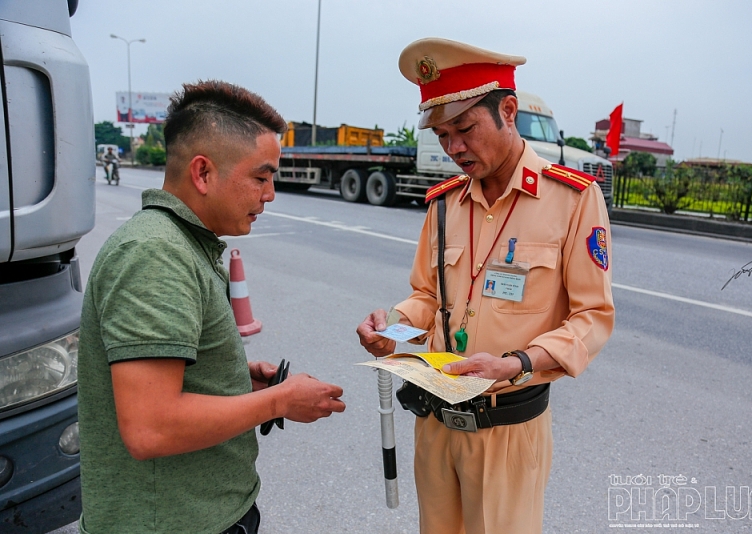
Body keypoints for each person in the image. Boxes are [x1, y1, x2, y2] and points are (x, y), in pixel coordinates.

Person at [356, 38, 614, 534]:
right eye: (442, 134)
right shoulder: (443, 204)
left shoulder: (572, 200)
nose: (453, 148)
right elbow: (428, 298)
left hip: (507, 429)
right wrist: (394, 326)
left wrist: (514, 365)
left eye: (465, 129)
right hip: (433, 423)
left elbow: (592, 318)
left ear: (509, 111)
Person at [78, 80, 346, 534]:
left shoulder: (181, 244)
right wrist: (280, 400)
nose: (271, 194)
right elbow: (150, 428)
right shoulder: (155, 254)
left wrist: (234, 382)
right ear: (203, 174)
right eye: (261, 177)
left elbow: (168, 382)